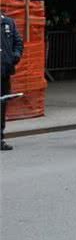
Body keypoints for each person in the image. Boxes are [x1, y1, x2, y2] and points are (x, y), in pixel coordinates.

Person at [0, 13, 23, 151]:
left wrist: (15, 56)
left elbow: (18, 42)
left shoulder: (8, 23)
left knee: (1, 106)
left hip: (4, 72)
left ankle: (0, 138)